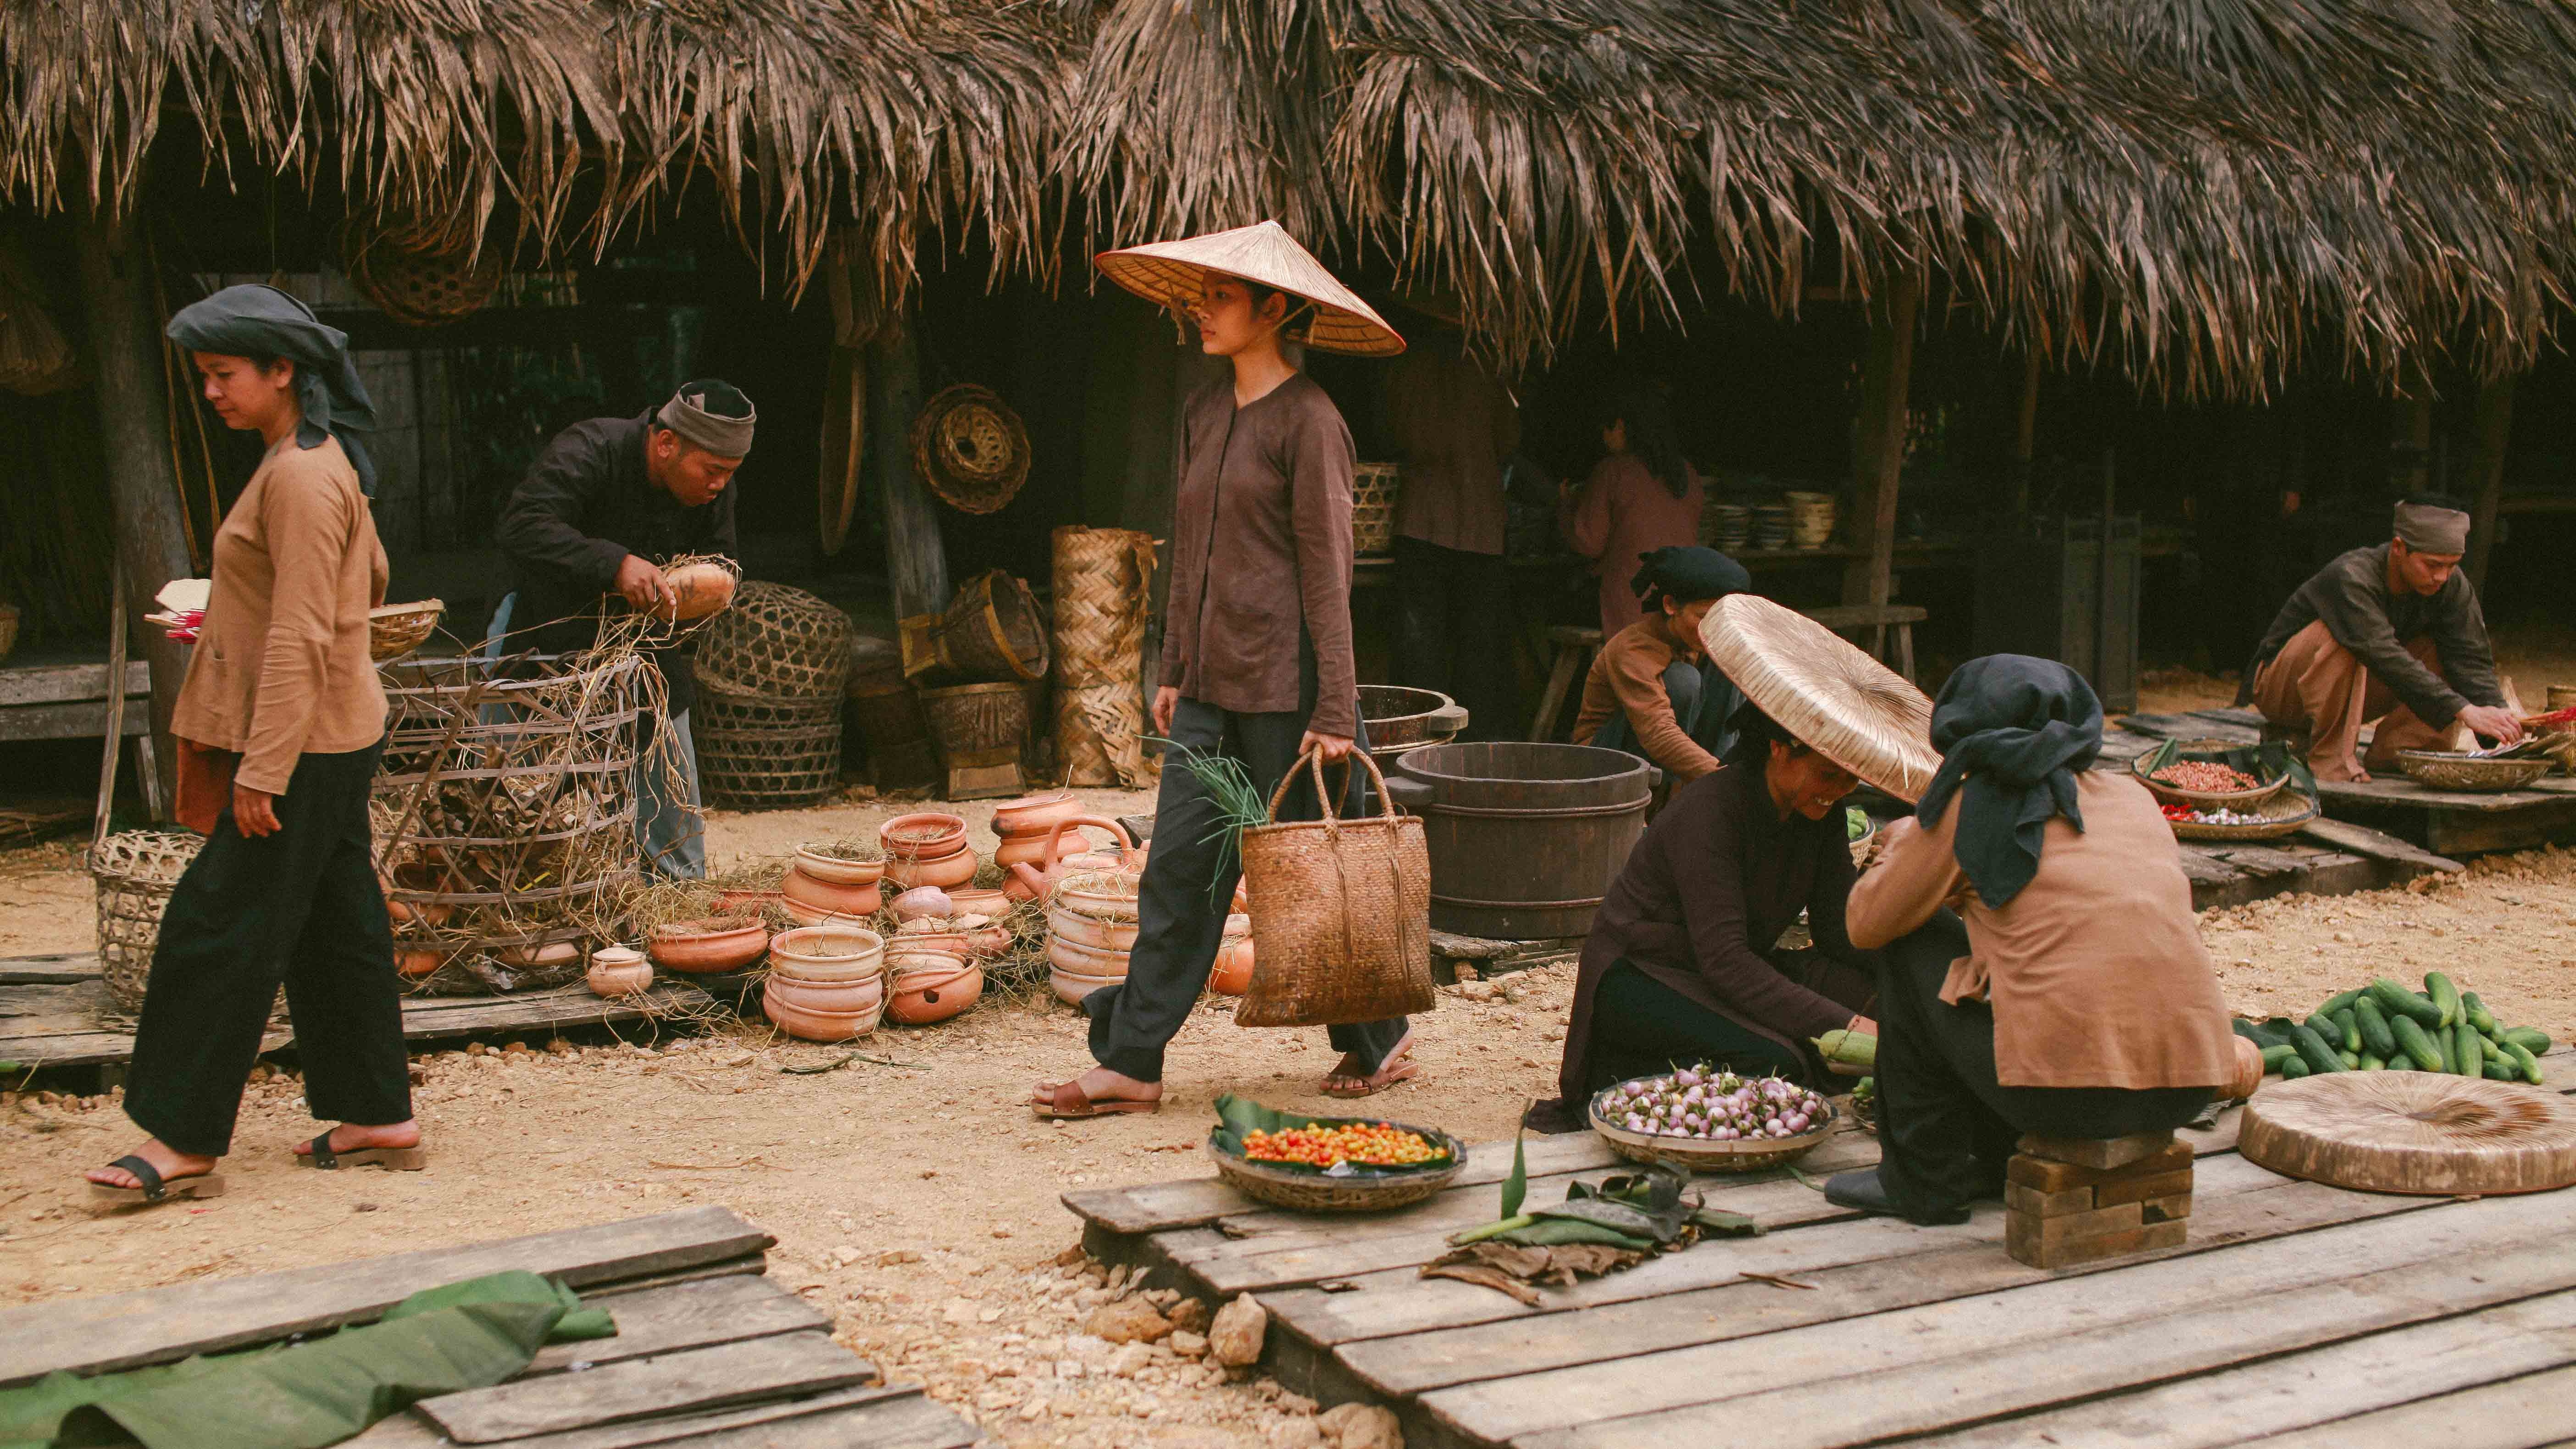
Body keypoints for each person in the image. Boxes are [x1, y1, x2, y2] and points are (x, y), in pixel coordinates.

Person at [1035, 221, 1413, 1118]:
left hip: (1294, 694)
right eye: (1198, 294)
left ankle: (1379, 1039)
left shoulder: (1314, 423)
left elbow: (1330, 576)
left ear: (1275, 309)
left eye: (1222, 297)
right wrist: (1173, 662)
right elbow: (1192, 545)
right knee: (1178, 869)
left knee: (1317, 878)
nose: (1200, 310)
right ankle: (1132, 1060)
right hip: (1209, 687)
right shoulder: (1204, 410)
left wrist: (1337, 706)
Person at [87, 285, 420, 1205]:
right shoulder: (312, 461)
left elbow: (309, 630)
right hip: (330, 728)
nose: (213, 393)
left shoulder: (304, 477)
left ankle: (185, 1137)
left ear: (285, 372)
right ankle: (377, 1115)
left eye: (224, 375)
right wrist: (236, 615)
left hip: (304, 744)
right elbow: (370, 575)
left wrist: (262, 769)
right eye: (205, 377)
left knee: (216, 924)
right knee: (338, 923)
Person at [1830, 656, 2240, 1226]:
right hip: (2190, 1087)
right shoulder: (2134, 799)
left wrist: (1902, 846)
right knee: (1999, 950)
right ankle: (1995, 1155)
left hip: (2067, 1099)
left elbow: (1866, 924)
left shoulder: (1968, 804)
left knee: (1910, 942)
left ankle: (1923, 1181)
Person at [1527, 701, 1881, 1132]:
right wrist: (1848, 1026)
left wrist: (1908, 972)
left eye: (1851, 777)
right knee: (1778, 1064)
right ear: (1779, 750)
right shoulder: (1710, 811)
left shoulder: (1824, 814)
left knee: (1879, 994)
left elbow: (1840, 934)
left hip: (1725, 964)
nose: (1841, 789)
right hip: (1644, 975)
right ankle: (1620, 1073)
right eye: (1829, 774)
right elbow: (1726, 962)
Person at [492, 380, 752, 879]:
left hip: (642, 639)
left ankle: (673, 889)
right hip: (542, 623)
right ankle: (502, 885)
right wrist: (615, 564)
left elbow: (725, 560)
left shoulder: (713, 488)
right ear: (666, 443)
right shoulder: (590, 448)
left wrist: (710, 585)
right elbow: (522, 525)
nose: (720, 484)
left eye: (730, 473)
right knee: (501, 771)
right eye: (714, 470)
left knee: (667, 752)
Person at [2241, 494, 2523, 783]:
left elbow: (2471, 658)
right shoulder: (2351, 576)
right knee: (2341, 636)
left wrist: (2502, 726)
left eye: (2452, 566)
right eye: (2433, 565)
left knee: (2445, 649)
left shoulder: (2452, 585)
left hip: (2358, 691)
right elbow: (2381, 653)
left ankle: (2402, 752)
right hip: (2282, 690)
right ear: (2399, 548)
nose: (2442, 576)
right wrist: (2463, 709)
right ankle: (2331, 760)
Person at [1382, 296, 1522, 740]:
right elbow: (1508, 440)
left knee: (1418, 650)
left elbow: (1396, 434)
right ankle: (1473, 749)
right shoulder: (1491, 369)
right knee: (1478, 651)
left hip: (1423, 520)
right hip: (1480, 524)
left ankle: (1415, 744)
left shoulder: (1409, 365)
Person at [1572, 545, 1752, 786]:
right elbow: (1658, 733)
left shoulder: (1699, 641)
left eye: (1721, 619)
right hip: (1602, 761)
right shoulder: (1632, 649)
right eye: (1703, 617)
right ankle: (1699, 790)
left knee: (1731, 667)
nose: (1713, 629)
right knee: (1683, 680)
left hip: (1672, 754)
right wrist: (1724, 780)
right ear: (1670, 606)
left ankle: (1709, 788)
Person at [1561, 386, 1707, 638]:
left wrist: (1564, 506)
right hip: (1680, 607)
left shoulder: (1613, 471)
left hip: (1628, 607)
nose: (1604, 439)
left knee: (1558, 602)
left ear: (1620, 426)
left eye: (1605, 429)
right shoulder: (1687, 473)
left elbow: (1589, 543)